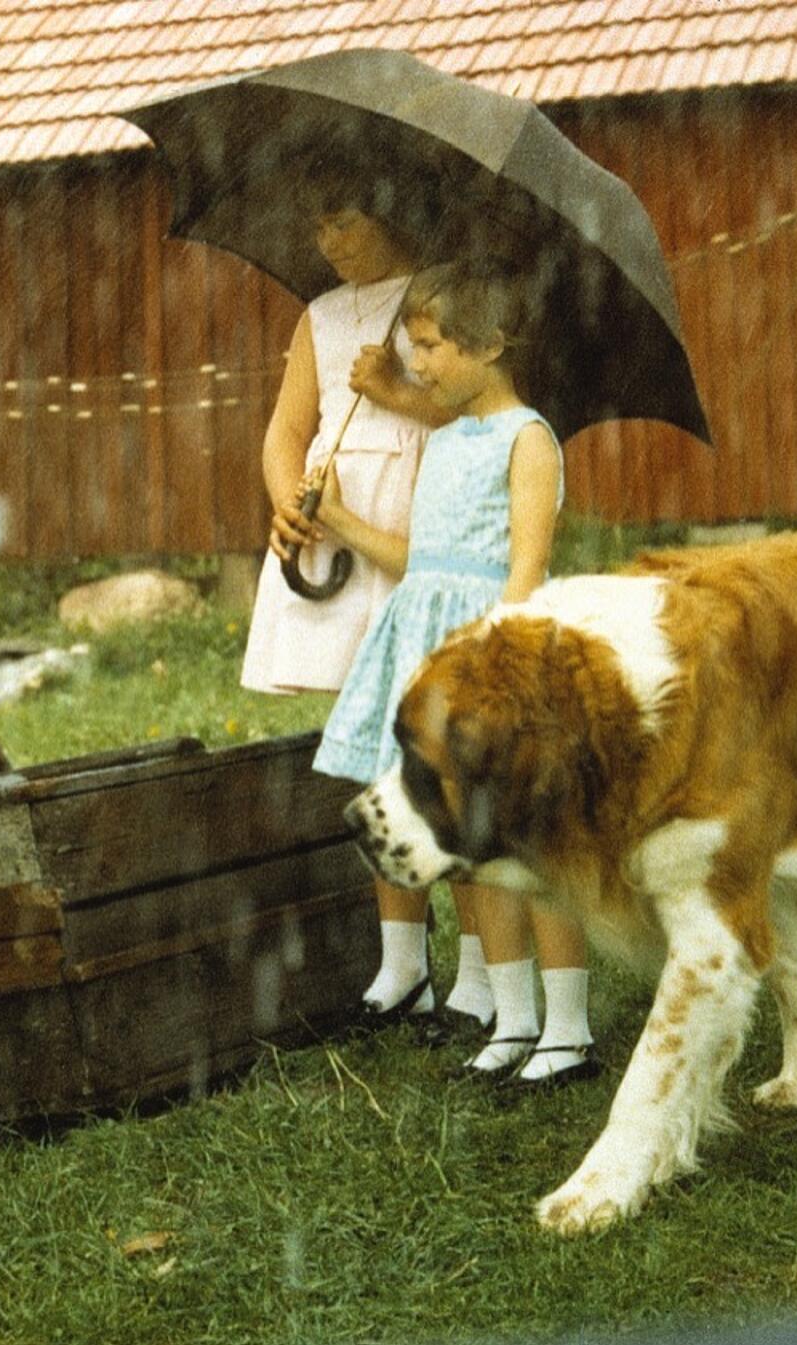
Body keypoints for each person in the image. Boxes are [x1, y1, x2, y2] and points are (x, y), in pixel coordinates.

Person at [309, 261, 598, 1086]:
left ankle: (569, 1031)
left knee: (528, 850)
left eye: (431, 348)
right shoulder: (443, 440)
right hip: (429, 655)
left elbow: (526, 566)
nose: (419, 366)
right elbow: (423, 559)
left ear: (492, 345)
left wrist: (492, 670)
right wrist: (339, 519)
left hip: (493, 657)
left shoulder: (528, 438)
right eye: (416, 347)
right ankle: (512, 1020)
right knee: (472, 854)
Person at [238, 170, 503, 1035]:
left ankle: (484, 971)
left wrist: (397, 390)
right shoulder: (319, 316)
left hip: (413, 525)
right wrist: (288, 498)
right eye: (318, 228)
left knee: (442, 746)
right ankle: (400, 964)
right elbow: (288, 427)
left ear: (389, 211)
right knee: (372, 752)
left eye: (344, 220)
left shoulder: (442, 300)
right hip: (340, 526)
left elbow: (479, 414)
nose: (330, 243)